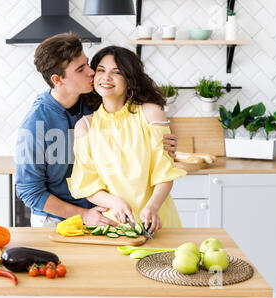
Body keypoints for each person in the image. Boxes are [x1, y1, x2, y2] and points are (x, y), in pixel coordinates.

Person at [15, 33, 178, 227]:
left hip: (104, 215)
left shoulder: (94, 101)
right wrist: (83, 215)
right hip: (57, 220)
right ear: (58, 80)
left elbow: (133, 131)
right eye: (81, 69)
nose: (92, 72)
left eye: (88, 64)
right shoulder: (35, 124)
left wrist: (165, 142)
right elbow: (29, 191)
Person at [67, 46, 186, 233]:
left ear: (129, 80)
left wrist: (152, 207)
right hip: (114, 225)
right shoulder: (85, 126)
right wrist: (114, 202)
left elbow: (164, 172)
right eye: (101, 70)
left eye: (117, 72)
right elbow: (87, 184)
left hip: (157, 220)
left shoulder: (151, 113)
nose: (106, 78)